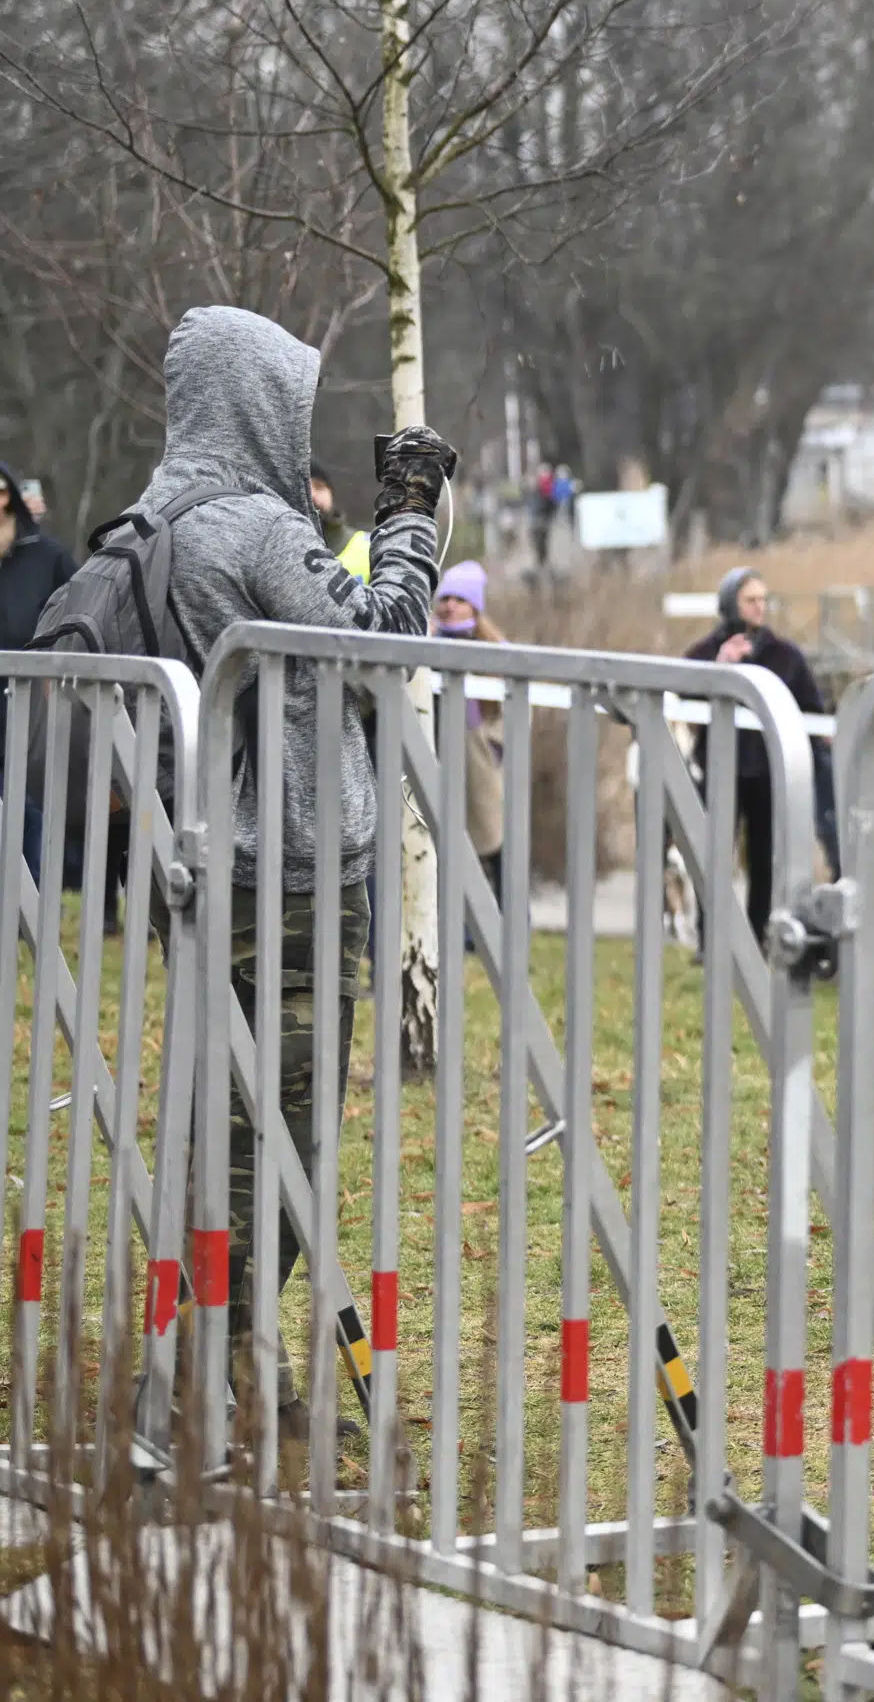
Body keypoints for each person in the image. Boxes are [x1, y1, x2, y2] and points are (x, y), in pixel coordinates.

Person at [85, 308, 449, 1362]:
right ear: (258, 403)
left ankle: (211, 1356)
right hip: (287, 868)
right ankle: (223, 1362)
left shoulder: (151, 518)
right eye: (291, 402)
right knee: (282, 1134)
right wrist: (412, 516)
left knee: (220, 1123)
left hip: (201, 860)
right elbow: (383, 637)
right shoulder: (250, 527)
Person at [682, 569, 831, 937]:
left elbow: (812, 710)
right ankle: (709, 936)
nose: (759, 607)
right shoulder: (704, 653)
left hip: (768, 771)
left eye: (764, 599)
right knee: (714, 855)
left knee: (764, 859)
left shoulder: (785, 656)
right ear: (731, 604)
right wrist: (720, 668)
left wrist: (814, 756)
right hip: (721, 769)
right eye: (751, 600)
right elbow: (681, 695)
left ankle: (757, 934)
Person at [0, 459, 80, 875]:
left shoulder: (46, 557)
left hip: (32, 705)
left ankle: (28, 916)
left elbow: (83, 612)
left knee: (28, 811)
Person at [433, 560, 507, 898]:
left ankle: (508, 924)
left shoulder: (495, 653)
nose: (449, 605)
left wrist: (492, 746)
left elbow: (514, 713)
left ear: (474, 607)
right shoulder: (425, 643)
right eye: (445, 597)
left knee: (494, 844)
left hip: (482, 766)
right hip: (438, 762)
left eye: (459, 599)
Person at [309, 461, 370, 583]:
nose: (312, 495)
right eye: (304, 488)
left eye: (319, 487)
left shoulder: (371, 546)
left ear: (331, 493)